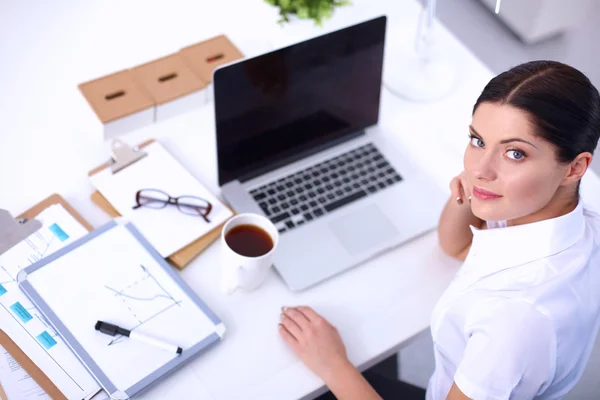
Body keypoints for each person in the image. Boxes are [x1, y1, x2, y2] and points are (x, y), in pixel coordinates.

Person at [278, 60, 600, 399]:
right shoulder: (566, 220)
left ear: (575, 168)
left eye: (515, 153)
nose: (481, 169)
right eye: (478, 141)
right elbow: (456, 245)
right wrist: (471, 195)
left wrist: (332, 364)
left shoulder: (513, 322)